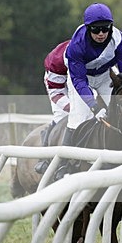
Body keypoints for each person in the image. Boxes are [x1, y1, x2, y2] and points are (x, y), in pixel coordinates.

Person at [55, 3, 122, 179]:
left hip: (106, 76)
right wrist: (93, 106)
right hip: (82, 79)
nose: (101, 34)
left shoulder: (118, 39)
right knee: (79, 117)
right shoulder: (77, 44)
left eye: (105, 29)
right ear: (87, 28)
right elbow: (78, 80)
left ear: (111, 27)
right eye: (96, 29)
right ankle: (64, 163)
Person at [34, 40, 71, 174]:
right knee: (64, 116)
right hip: (57, 82)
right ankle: (45, 157)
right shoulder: (57, 60)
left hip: (83, 79)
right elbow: (57, 93)